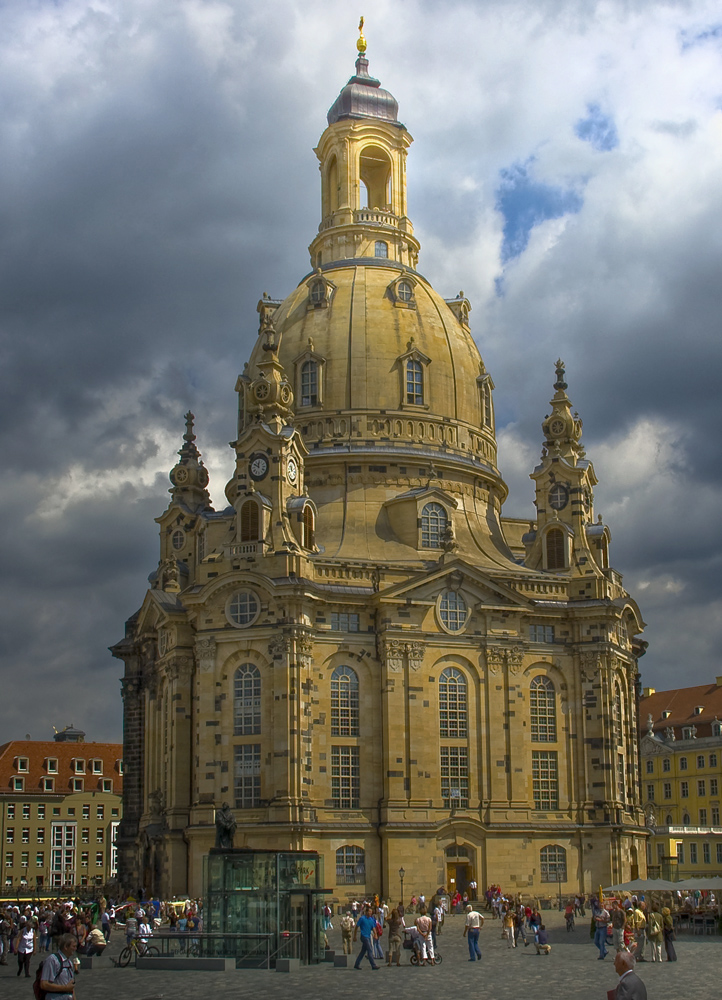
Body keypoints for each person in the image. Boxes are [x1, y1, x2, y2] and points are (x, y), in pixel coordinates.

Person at [40, 932, 77, 999]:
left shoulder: (69, 962)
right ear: (66, 946)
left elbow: (71, 987)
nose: (75, 949)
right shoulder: (52, 960)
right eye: (73, 946)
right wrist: (65, 988)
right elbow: (44, 984)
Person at [353, 904, 380, 970]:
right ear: (366, 912)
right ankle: (373, 965)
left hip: (368, 936)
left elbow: (373, 928)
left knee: (363, 951)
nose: (370, 913)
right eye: (369, 911)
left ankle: (356, 964)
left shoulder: (371, 919)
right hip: (364, 936)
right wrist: (355, 936)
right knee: (370, 950)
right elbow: (356, 927)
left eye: (371, 911)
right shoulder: (362, 918)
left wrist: (375, 934)